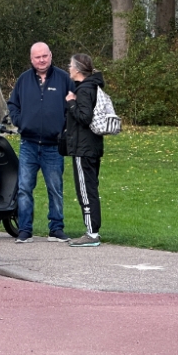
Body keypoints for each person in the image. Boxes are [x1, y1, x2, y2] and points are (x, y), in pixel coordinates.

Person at [7, 42, 74, 243]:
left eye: (45, 56)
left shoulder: (64, 79)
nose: (42, 60)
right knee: (24, 188)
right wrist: (21, 122)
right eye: (37, 57)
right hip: (28, 144)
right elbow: (13, 104)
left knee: (55, 188)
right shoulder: (24, 80)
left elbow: (73, 105)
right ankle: (25, 230)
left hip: (54, 146)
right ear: (31, 59)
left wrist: (64, 127)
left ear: (51, 56)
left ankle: (56, 228)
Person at [64, 54, 104, 247]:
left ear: (78, 69)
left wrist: (71, 102)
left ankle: (91, 233)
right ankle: (93, 231)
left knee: (85, 191)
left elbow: (84, 117)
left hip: (84, 148)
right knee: (91, 188)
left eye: (70, 65)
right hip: (92, 146)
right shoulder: (92, 87)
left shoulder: (85, 90)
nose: (68, 68)